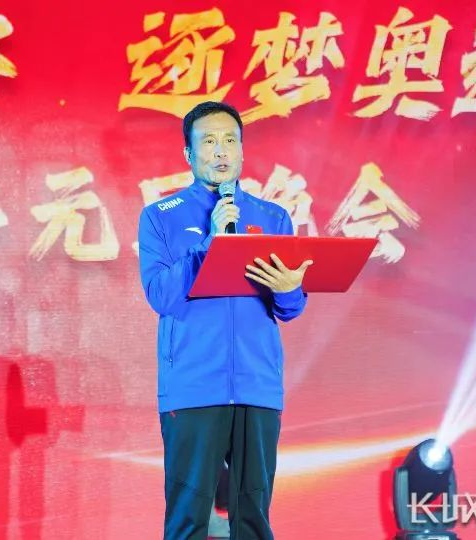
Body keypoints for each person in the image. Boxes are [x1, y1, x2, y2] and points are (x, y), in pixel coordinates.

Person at [138, 101, 312, 540]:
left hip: (257, 387)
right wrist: (211, 243)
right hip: (193, 388)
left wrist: (289, 288)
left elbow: (289, 308)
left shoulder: (272, 218)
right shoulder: (160, 216)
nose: (221, 151)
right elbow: (161, 296)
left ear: (242, 150)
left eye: (231, 140)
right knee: (187, 520)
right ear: (188, 154)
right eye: (210, 141)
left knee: (253, 519)